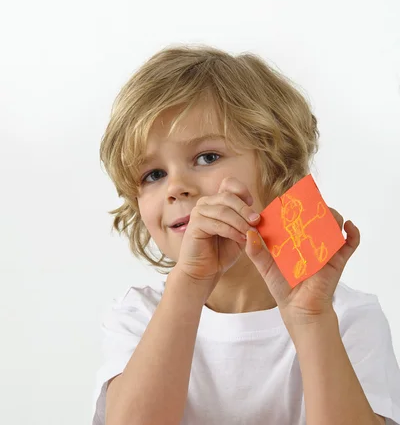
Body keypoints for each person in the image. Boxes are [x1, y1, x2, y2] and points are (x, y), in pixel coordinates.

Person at [92, 44, 400, 425]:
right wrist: (189, 283)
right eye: (153, 175)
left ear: (277, 169)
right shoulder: (137, 317)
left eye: (206, 157)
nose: (176, 187)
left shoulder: (348, 317)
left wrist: (311, 318)